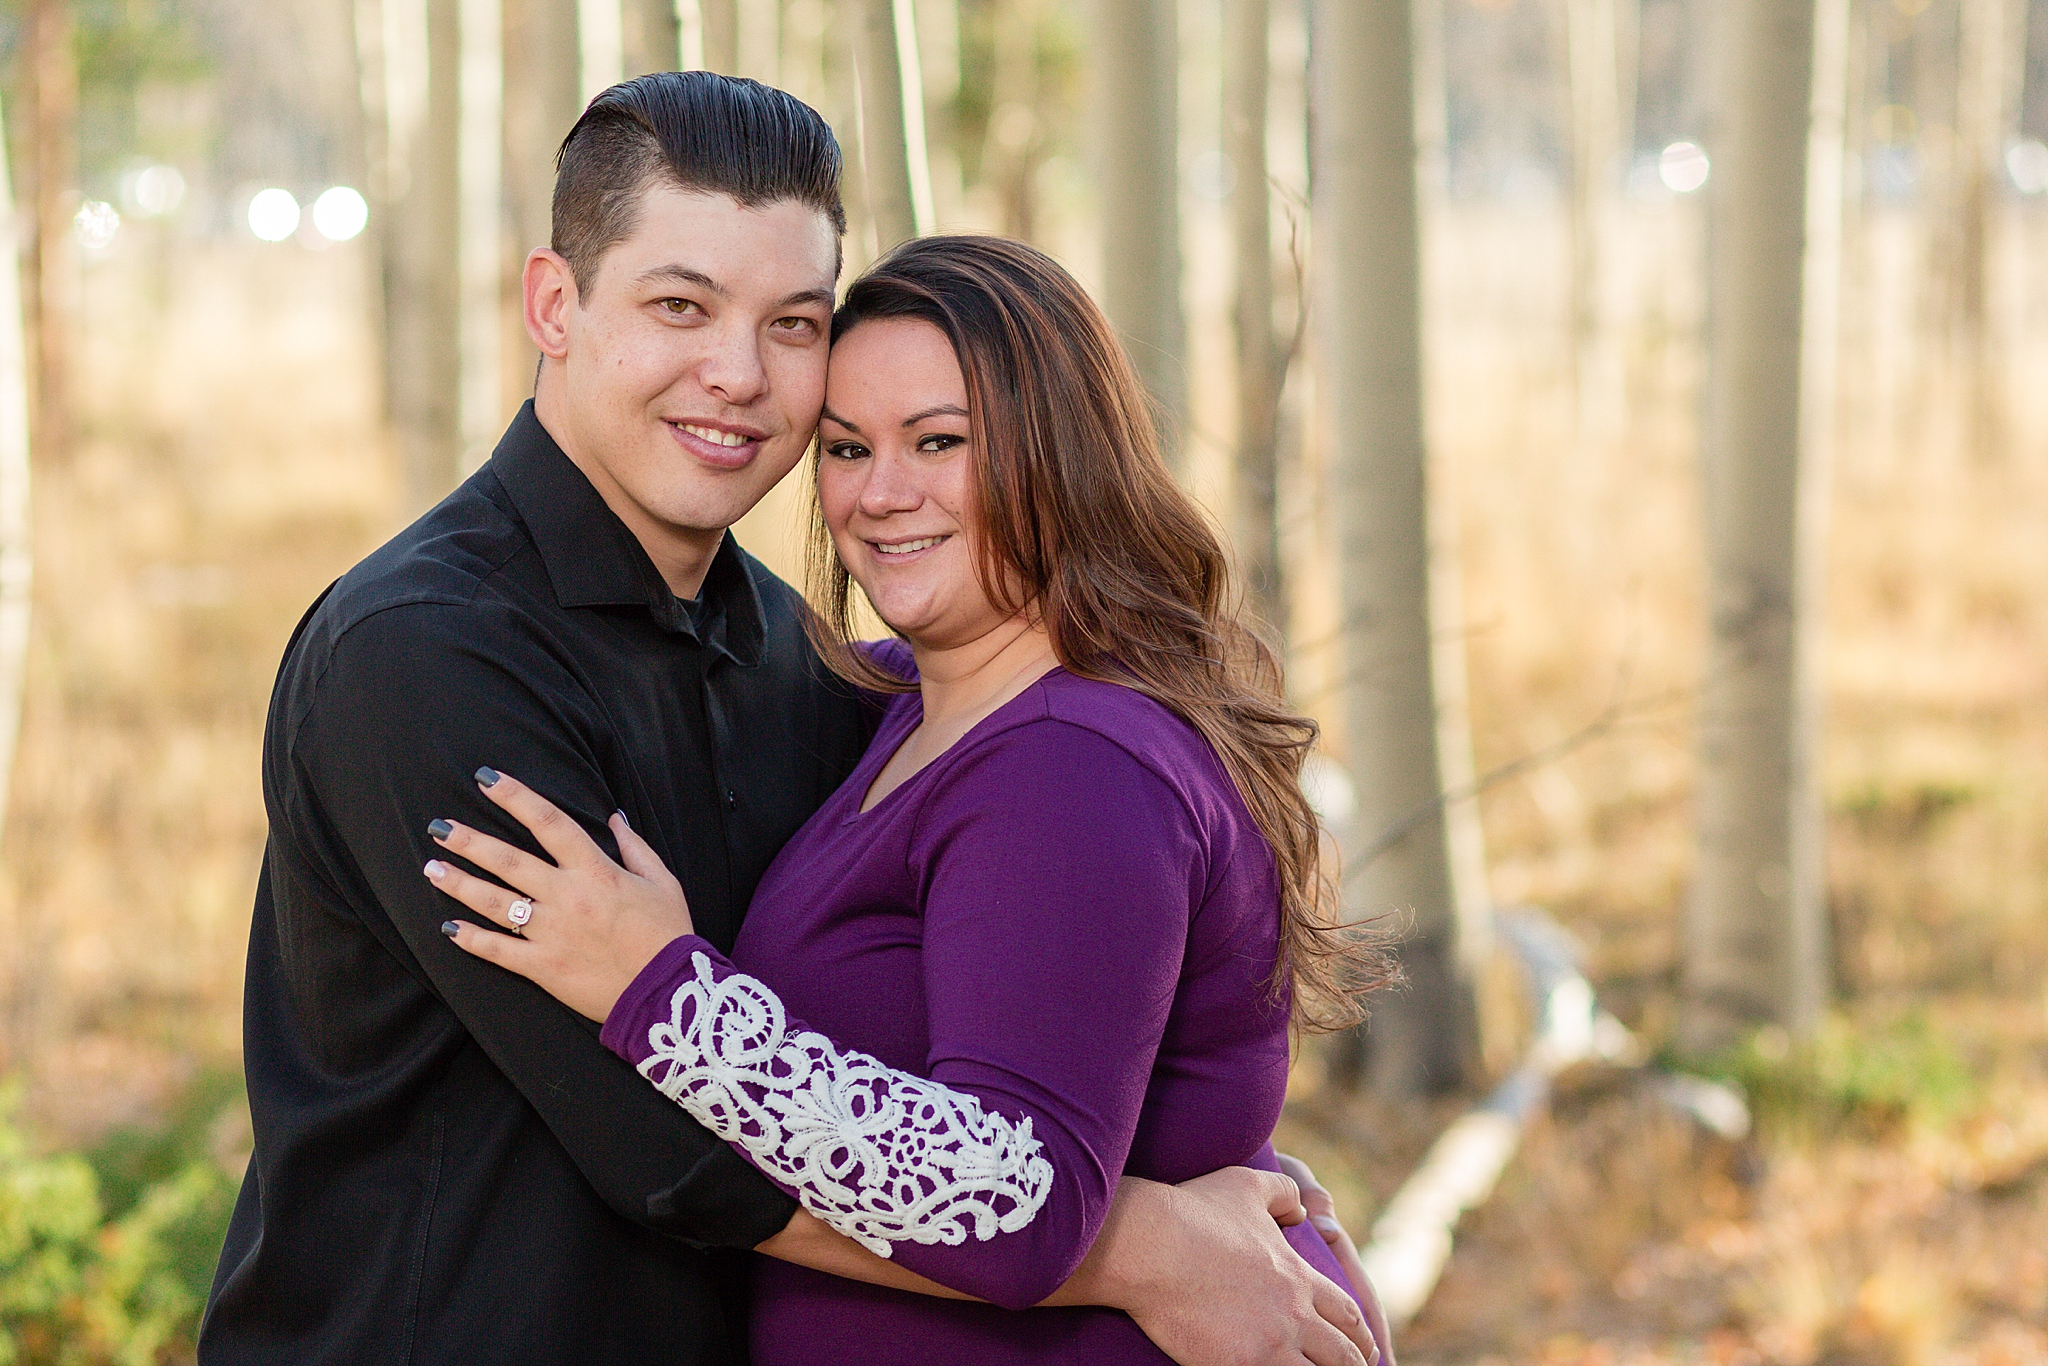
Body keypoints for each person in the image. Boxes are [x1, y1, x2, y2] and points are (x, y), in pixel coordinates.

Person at [201, 71, 1381, 1365]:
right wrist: (1151, 1241)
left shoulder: (821, 672)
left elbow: (1040, 1024)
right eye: (679, 306)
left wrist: (1199, 1171)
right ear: (555, 304)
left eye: (793, 322)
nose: (739, 376)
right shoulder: (424, 654)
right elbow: (667, 1138)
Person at [428, 234, 1397, 1365]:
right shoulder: (901, 699)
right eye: (845, 447)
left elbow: (1014, 1204)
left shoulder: (1071, 763)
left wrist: (663, 992)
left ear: (1059, 455)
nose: (881, 496)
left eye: (938, 441)